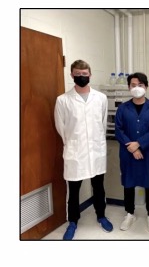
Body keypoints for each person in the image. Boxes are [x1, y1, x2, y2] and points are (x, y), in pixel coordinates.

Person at [54, 59, 113, 240]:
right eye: (78, 75)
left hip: (96, 150)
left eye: (84, 74)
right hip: (75, 151)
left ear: (90, 75)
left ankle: (101, 216)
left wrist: (94, 141)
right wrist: (74, 143)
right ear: (71, 75)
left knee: (99, 187)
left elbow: (102, 124)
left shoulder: (101, 98)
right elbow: (61, 127)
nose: (81, 77)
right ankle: (72, 221)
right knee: (73, 191)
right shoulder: (63, 100)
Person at [115, 72, 149, 233]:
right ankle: (130, 213)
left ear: (146, 87)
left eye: (140, 85)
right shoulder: (123, 108)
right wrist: (132, 147)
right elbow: (119, 130)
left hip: (147, 153)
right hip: (128, 153)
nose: (137, 88)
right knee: (128, 183)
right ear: (129, 87)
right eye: (133, 85)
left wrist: (139, 144)